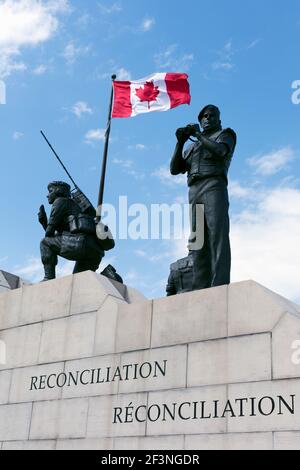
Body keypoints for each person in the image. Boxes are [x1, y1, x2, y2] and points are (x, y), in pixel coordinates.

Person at [170, 105, 236, 290]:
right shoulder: (192, 147)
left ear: (218, 119)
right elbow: (175, 169)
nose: (207, 118)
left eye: (211, 115)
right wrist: (180, 142)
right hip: (194, 190)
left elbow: (221, 151)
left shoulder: (225, 134)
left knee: (217, 234)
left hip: (213, 185)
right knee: (198, 240)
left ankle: (220, 284)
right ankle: (200, 287)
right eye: (204, 116)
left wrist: (199, 135)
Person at [38, 181, 106, 281]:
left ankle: (49, 278)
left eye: (50, 191)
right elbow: (57, 236)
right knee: (79, 281)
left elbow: (49, 233)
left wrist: (44, 222)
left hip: (81, 244)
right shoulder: (76, 205)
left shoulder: (60, 201)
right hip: (95, 251)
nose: (47, 195)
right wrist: (44, 223)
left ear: (58, 191)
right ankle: (109, 275)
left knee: (45, 243)